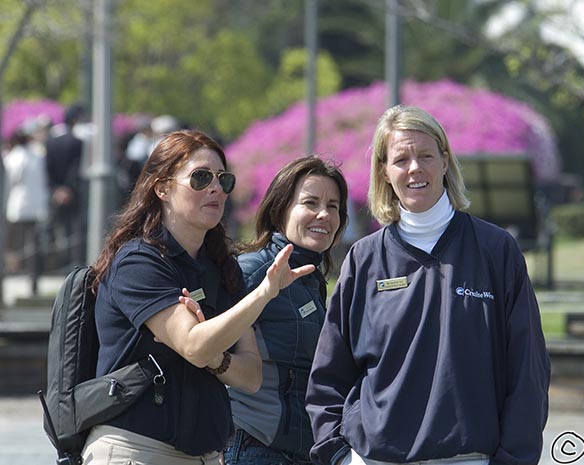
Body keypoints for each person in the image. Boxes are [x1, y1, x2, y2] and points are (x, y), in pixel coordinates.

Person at [305, 105, 551, 465]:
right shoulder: (364, 259)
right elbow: (328, 375)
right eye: (401, 159)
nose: (414, 168)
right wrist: (339, 456)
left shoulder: (496, 251)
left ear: (445, 161)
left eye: (425, 155)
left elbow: (528, 369)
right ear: (385, 172)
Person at [83, 129, 315, 464]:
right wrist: (264, 293)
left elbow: (250, 376)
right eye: (200, 177)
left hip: (202, 455)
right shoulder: (138, 261)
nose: (216, 188)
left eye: (224, 179)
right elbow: (194, 343)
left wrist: (213, 355)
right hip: (136, 451)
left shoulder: (220, 267)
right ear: (162, 187)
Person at [223, 156, 349, 465]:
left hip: (300, 453)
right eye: (311, 202)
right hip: (253, 448)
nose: (324, 214)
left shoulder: (311, 279)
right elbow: (207, 355)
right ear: (280, 210)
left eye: (333, 206)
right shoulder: (252, 272)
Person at [2, 128, 49, 291]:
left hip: (18, 205)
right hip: (36, 205)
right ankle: (33, 277)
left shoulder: (14, 157)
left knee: (14, 243)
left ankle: (14, 271)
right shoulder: (37, 156)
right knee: (33, 242)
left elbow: (10, 180)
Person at [45, 104, 85, 267]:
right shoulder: (76, 141)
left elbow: (48, 168)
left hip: (55, 191)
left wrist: (55, 189)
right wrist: (67, 188)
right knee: (72, 228)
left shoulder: (51, 141)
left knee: (54, 226)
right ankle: (71, 261)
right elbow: (74, 168)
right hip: (71, 191)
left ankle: (53, 261)